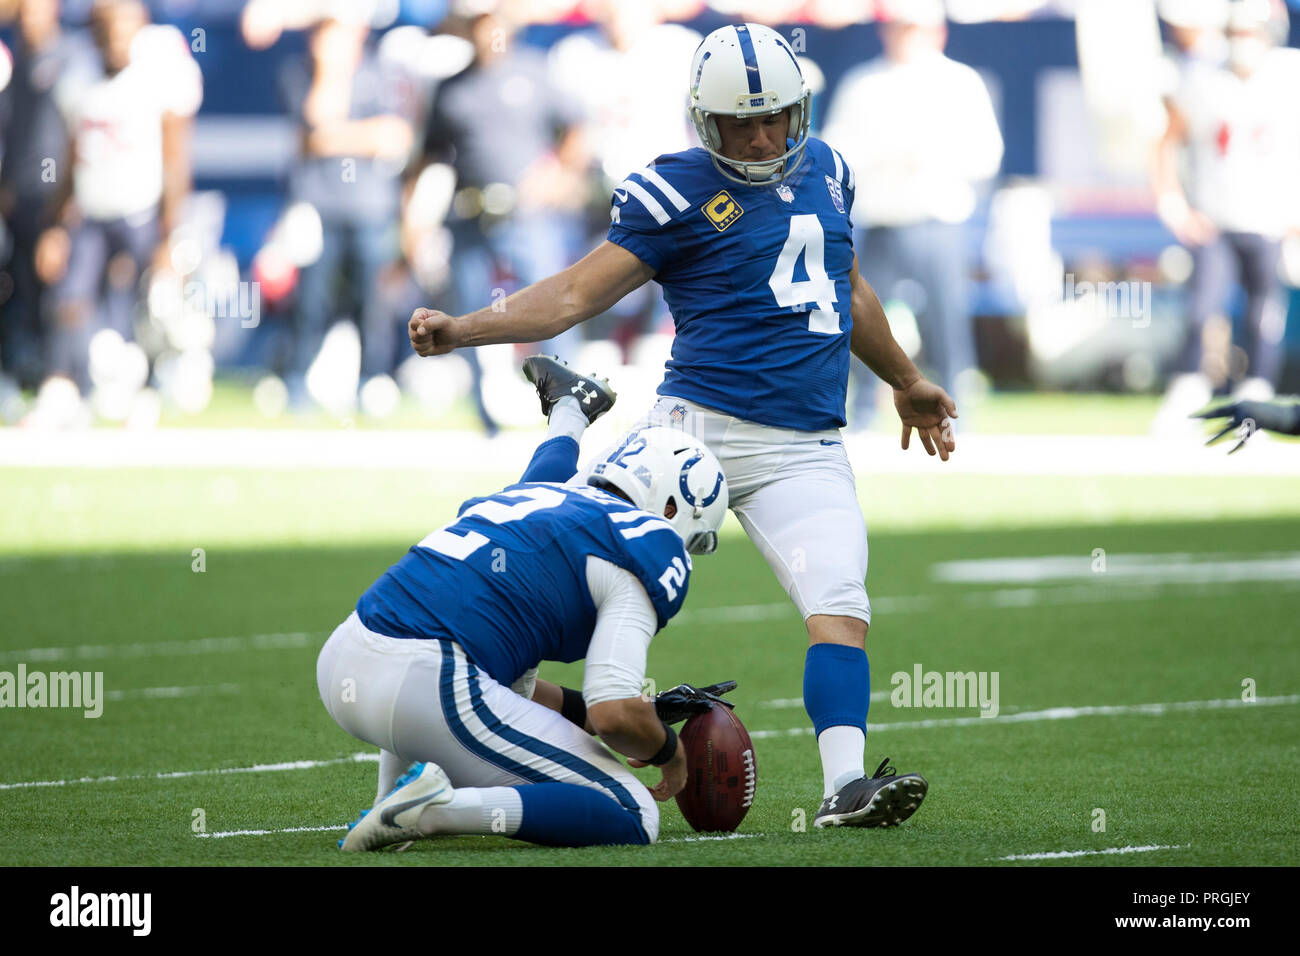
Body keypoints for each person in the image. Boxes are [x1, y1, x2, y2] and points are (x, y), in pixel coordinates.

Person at [408, 23, 946, 829]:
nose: (763, 136)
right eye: (743, 122)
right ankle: (482, 696)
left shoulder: (830, 168)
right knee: (562, 573)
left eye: (776, 118)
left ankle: (846, 788)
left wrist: (905, 379)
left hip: (804, 444)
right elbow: (574, 295)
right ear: (706, 121)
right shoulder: (674, 189)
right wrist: (463, 328)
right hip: (692, 437)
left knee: (841, 603)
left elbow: (852, 288)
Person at [322, 356, 730, 850]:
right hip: (429, 685)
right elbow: (613, 714)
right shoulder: (645, 542)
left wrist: (646, 713)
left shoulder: (537, 497)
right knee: (632, 811)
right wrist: (668, 752)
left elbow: (522, 693)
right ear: (672, 506)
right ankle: (432, 810)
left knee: (503, 673)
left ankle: (393, 802)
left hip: (348, 657)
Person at [822, 0, 1003, 430]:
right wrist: (883, 156)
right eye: (899, 28)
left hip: (936, 221)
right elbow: (837, 150)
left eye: (914, 28)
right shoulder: (864, 83)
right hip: (881, 220)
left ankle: (958, 410)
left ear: (936, 32)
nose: (905, 37)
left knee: (946, 324)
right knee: (866, 321)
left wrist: (929, 154)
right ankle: (861, 412)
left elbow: (986, 154)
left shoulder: (960, 83)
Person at [1152, 0, 1300, 429]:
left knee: (1263, 319)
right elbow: (1167, 140)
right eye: (1235, 34)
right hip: (1216, 220)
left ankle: (1257, 403)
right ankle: (1186, 395)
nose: (1242, 44)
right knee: (1201, 312)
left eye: (1250, 33)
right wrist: (1173, 203)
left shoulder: (1289, 76)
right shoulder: (1203, 78)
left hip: (1272, 223)